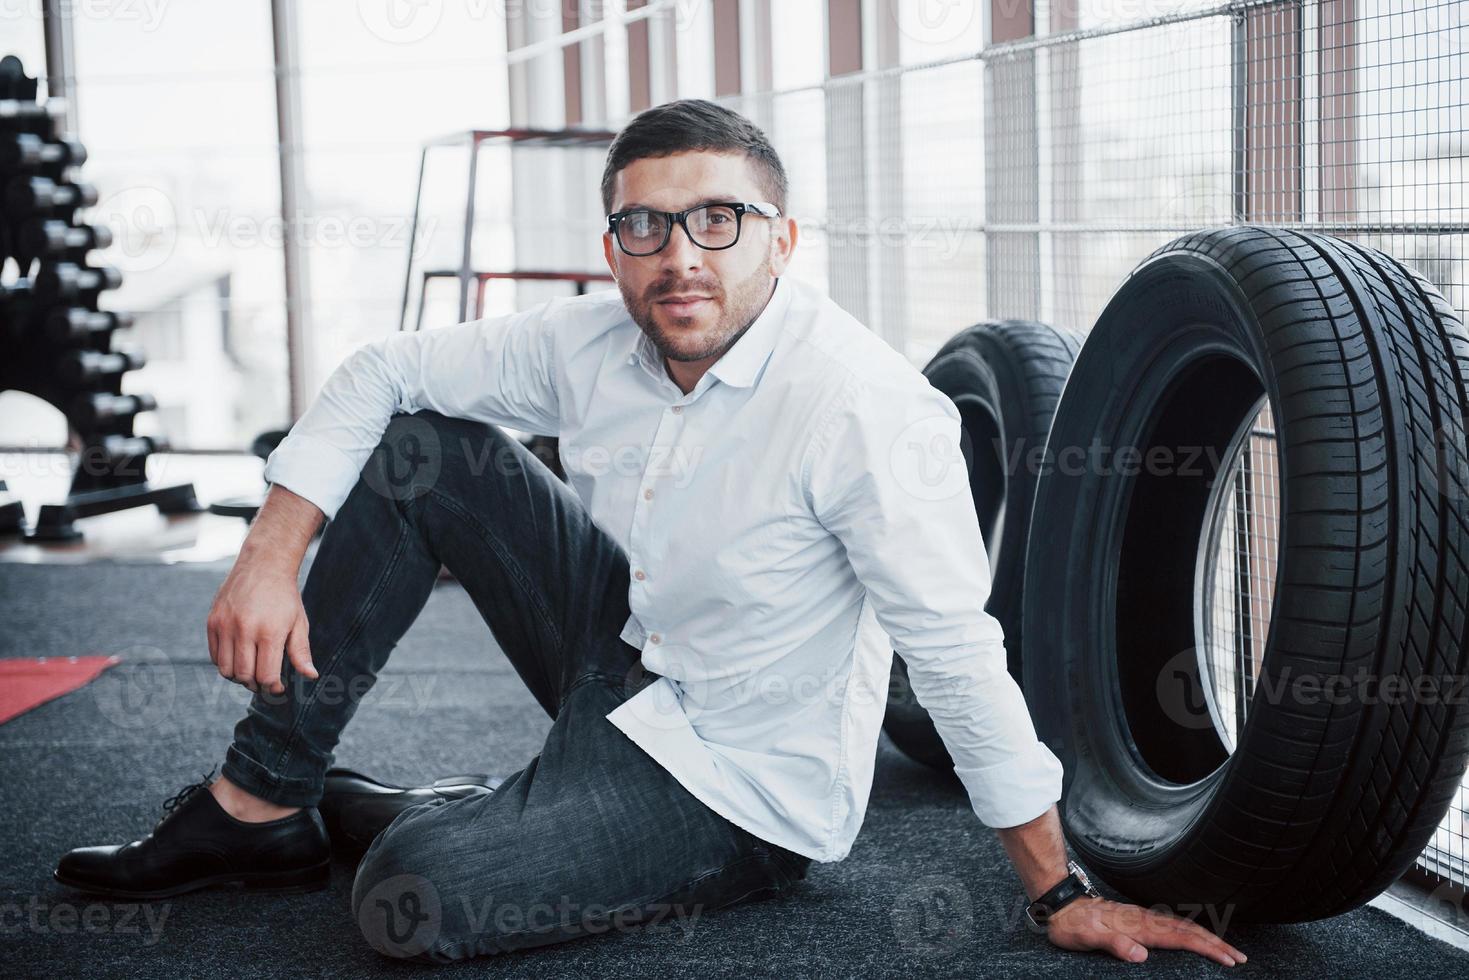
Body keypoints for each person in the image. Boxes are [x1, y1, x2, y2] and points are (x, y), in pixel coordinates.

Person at [54, 98, 1247, 968]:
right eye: (645, 225)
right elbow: (382, 368)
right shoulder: (593, 338)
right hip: (627, 652)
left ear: (781, 241)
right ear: (613, 242)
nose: (680, 256)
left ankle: (446, 810)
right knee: (433, 443)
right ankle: (260, 802)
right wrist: (270, 550)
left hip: (734, 780)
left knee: (405, 896)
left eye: (718, 220)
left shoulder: (868, 411)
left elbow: (953, 651)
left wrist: (1055, 893)